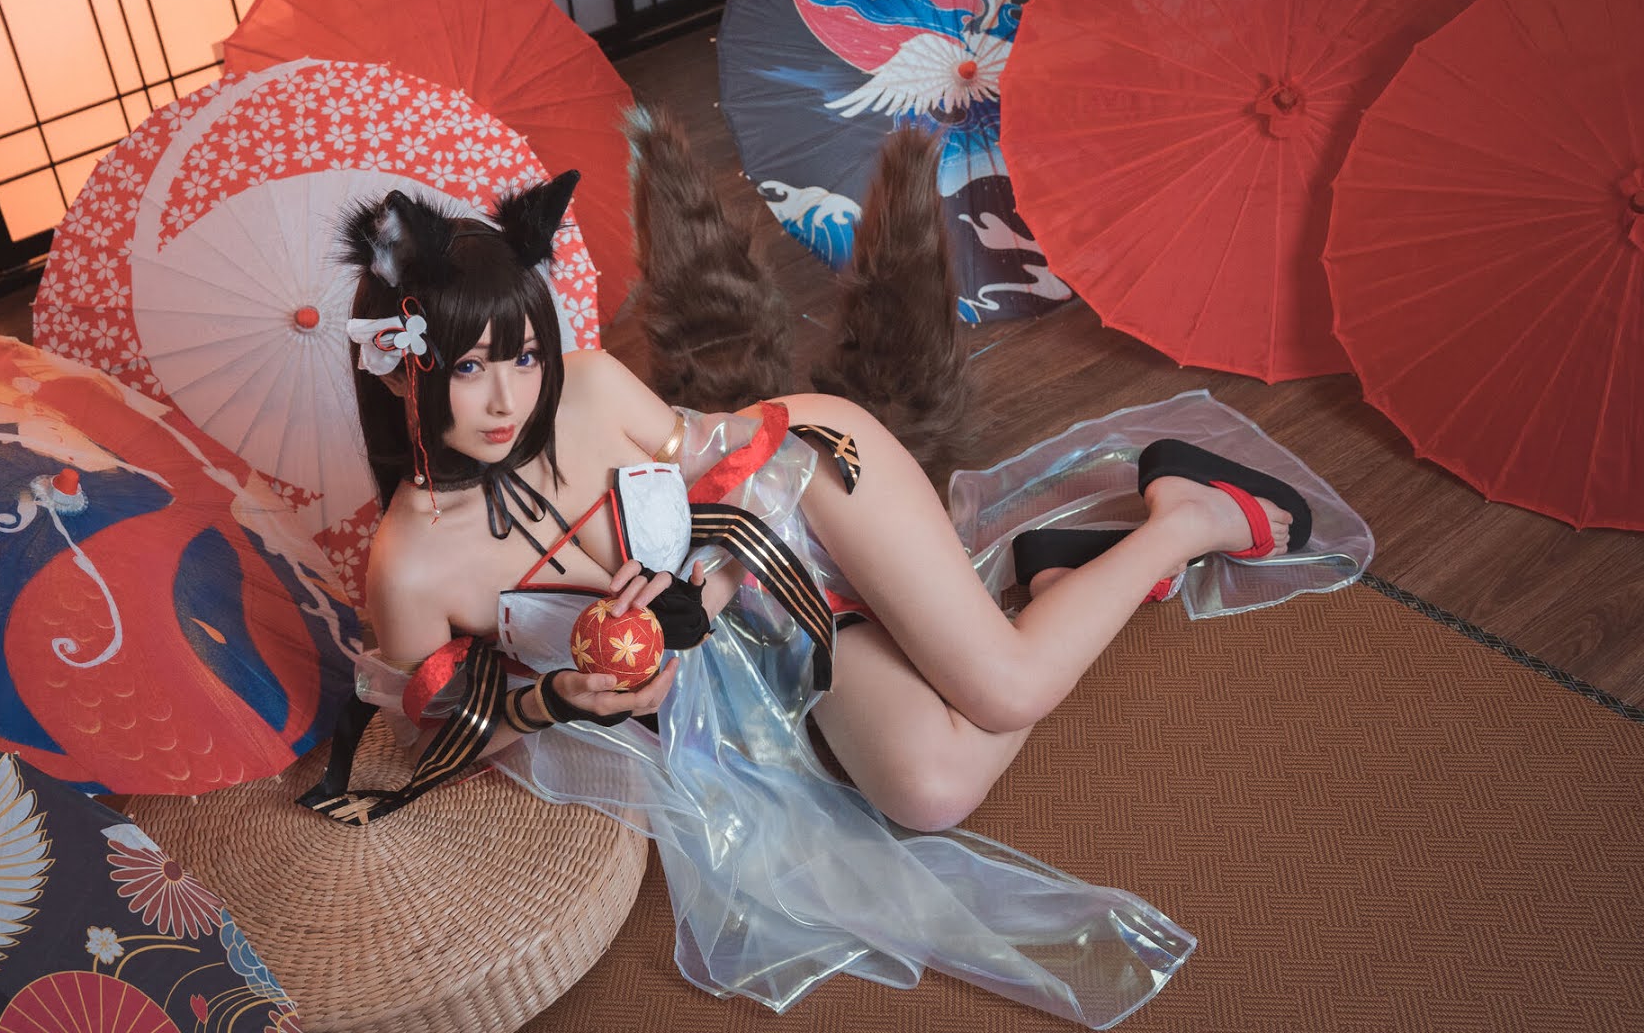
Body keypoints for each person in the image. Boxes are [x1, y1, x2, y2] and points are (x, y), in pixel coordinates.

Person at [300, 159, 1316, 1028]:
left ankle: (1186, 517)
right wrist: (565, 696)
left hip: (812, 487)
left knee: (1006, 690)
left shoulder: (592, 385)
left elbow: (737, 467)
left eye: (524, 356)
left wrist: (703, 579)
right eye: (468, 368)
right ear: (397, 373)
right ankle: (1050, 577)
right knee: (929, 794)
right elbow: (447, 725)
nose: (507, 398)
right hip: (759, 639)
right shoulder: (409, 566)